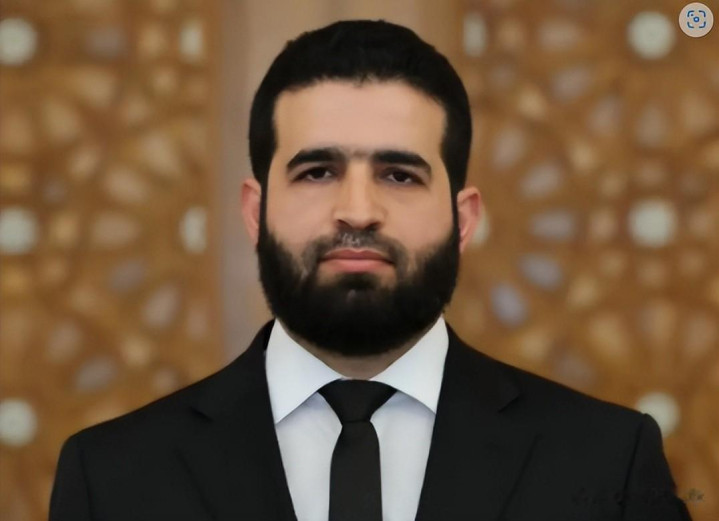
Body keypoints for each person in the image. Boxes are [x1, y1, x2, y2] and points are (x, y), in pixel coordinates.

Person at [50, 19, 692, 521]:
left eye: (399, 175)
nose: (357, 210)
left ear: (463, 219)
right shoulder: (111, 476)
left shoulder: (608, 461)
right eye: (317, 172)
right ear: (255, 212)